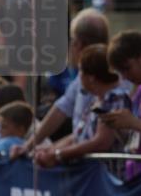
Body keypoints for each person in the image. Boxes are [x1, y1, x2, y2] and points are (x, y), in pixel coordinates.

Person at [10, 9, 110, 160]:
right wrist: (36, 148)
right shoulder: (80, 78)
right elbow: (63, 112)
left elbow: (101, 141)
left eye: (71, 40)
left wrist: (56, 154)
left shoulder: (112, 85)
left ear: (78, 44)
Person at [35, 44, 130, 177]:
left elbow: (101, 142)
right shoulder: (96, 100)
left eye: (80, 71)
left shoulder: (113, 100)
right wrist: (51, 150)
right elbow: (79, 135)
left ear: (91, 77)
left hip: (107, 181)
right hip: (90, 180)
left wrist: (58, 155)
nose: (78, 77)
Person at [104, 30, 141, 182]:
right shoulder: (137, 92)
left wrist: (133, 122)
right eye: (120, 72)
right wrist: (118, 127)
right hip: (133, 176)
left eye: (126, 68)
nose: (125, 76)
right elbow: (133, 140)